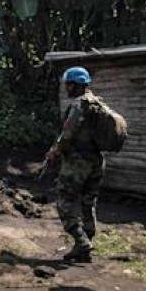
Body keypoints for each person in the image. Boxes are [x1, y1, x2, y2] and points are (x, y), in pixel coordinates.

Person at [45, 66, 105, 263]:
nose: (66, 88)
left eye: (67, 85)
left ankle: (81, 241)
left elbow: (68, 134)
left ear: (74, 85)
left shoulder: (79, 105)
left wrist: (55, 152)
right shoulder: (99, 104)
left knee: (65, 202)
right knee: (88, 203)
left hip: (79, 162)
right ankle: (84, 246)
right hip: (97, 161)